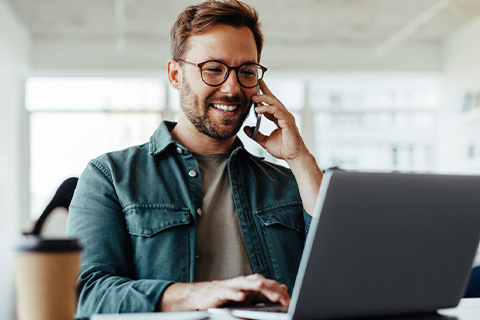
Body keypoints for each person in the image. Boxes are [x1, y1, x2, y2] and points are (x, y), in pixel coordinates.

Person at [66, 0, 323, 317]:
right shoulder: (110, 177)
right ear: (175, 74)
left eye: (246, 72)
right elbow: (87, 294)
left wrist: (299, 158)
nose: (231, 88)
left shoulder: (287, 183)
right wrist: (204, 293)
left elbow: (341, 273)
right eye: (213, 69)